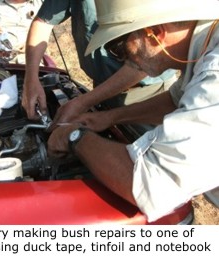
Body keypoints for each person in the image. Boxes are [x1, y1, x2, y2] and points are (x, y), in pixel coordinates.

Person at [47, 0, 219, 222]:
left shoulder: (214, 76)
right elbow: (176, 100)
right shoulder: (205, 43)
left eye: (118, 46)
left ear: (156, 33)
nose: (124, 59)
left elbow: (154, 187)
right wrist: (107, 118)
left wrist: (72, 137)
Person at [22, 0, 177, 122]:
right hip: (100, 89)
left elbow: (147, 59)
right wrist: (31, 79)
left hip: (147, 95)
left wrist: (83, 102)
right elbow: (43, 22)